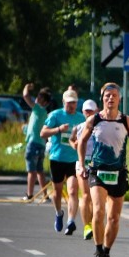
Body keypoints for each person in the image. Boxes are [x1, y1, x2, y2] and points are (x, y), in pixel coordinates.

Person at [76, 82, 129, 257]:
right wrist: (81, 164)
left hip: (119, 173)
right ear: (102, 99)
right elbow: (82, 141)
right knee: (98, 211)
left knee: (114, 217)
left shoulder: (125, 121)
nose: (110, 98)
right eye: (107, 96)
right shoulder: (95, 120)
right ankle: (98, 250)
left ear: (119, 98)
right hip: (98, 171)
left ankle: (106, 251)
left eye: (114, 95)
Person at [41, 89, 86, 234]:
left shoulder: (81, 118)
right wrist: (59, 129)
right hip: (57, 158)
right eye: (69, 103)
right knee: (58, 191)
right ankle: (59, 213)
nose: (71, 105)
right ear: (63, 102)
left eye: (74, 103)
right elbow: (43, 133)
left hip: (74, 159)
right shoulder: (55, 115)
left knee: (73, 190)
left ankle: (71, 221)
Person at [69, 100, 99, 239]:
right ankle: (87, 226)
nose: (88, 113)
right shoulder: (78, 127)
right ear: (83, 111)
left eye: (91, 111)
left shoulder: (100, 127)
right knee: (86, 194)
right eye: (86, 111)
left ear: (96, 111)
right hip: (82, 163)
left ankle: (93, 222)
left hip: (97, 163)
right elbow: (71, 139)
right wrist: (74, 145)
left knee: (96, 197)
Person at [21, 84, 50, 202]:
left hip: (33, 144)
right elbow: (35, 127)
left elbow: (25, 96)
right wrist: (25, 129)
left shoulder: (38, 109)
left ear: (42, 100)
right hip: (41, 144)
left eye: (38, 97)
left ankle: (29, 195)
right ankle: (45, 195)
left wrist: (27, 86)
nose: (36, 99)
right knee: (39, 171)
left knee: (31, 171)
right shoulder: (43, 113)